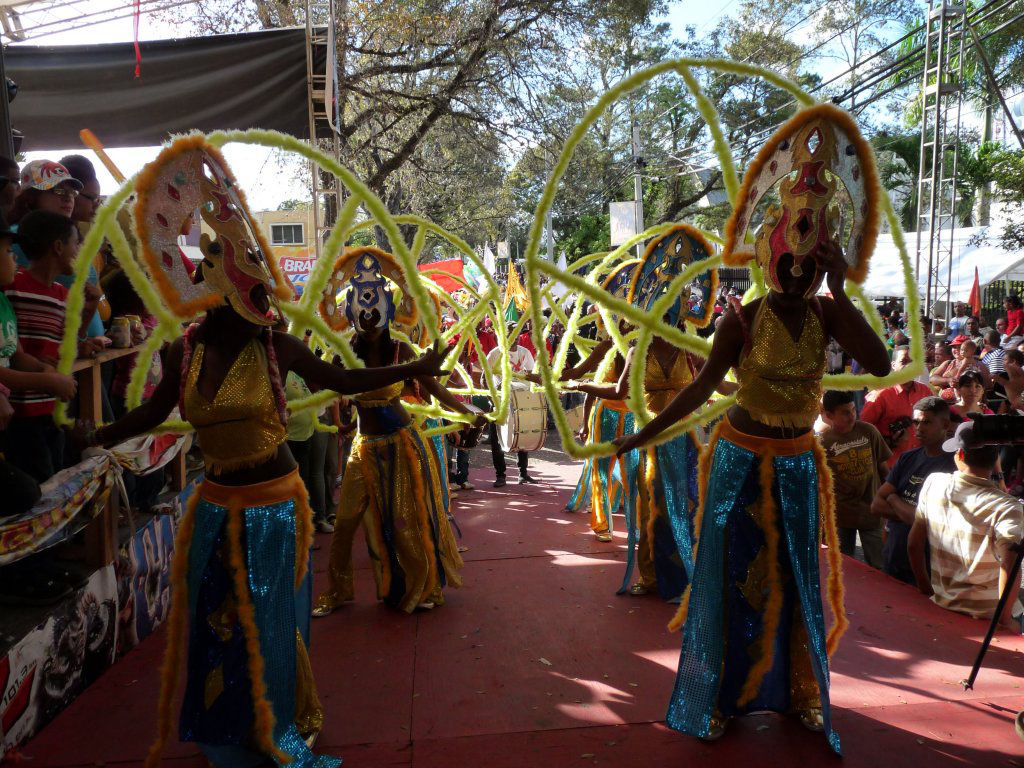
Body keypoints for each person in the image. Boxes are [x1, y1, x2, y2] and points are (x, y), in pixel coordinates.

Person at [77, 139, 452, 768]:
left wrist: (419, 365)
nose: (271, 302)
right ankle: (228, 720)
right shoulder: (184, 353)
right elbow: (149, 413)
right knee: (215, 616)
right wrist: (94, 438)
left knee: (270, 622)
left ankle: (281, 725)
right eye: (255, 287)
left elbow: (344, 382)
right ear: (220, 292)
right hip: (216, 504)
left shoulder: (277, 349)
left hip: (276, 507)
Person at [314, 248, 481, 617]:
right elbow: (333, 386)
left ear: (388, 310)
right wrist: (337, 418)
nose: (368, 317)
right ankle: (338, 590)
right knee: (343, 524)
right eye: (360, 308)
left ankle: (418, 584)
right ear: (350, 312)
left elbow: (434, 387)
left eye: (375, 309)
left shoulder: (402, 350)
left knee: (406, 522)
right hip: (364, 448)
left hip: (402, 446)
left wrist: (467, 412)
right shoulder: (344, 353)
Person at [908, 420, 1023, 628]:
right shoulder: (1008, 506)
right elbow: (1011, 565)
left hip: (943, 604)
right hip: (990, 616)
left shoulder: (934, 483)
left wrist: (926, 590)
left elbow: (913, 545)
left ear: (960, 455)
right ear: (995, 458)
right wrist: (1004, 622)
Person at [4, 211, 92, 482]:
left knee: (54, 475)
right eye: (75, 243)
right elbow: (10, 351)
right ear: (58, 247)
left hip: (52, 407)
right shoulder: (13, 288)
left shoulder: (62, 296)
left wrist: (90, 309)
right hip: (20, 410)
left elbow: (71, 342)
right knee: (40, 482)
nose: (79, 250)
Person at [870, 396, 956, 585]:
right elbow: (876, 505)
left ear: (945, 424)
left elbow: (930, 522)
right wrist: (912, 515)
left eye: (926, 422)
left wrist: (893, 499)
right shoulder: (907, 458)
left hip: (931, 571)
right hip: (895, 560)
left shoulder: (956, 465)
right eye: (916, 422)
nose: (919, 428)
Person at [819, 390, 891, 570]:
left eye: (852, 410)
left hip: (871, 512)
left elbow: (884, 469)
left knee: (879, 565)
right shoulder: (824, 442)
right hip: (840, 515)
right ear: (829, 415)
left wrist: (888, 499)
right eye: (845, 412)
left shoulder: (868, 431)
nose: (851, 416)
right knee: (843, 566)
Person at [861, 347, 932, 468]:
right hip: (890, 468)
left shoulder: (925, 391)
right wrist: (889, 441)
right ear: (893, 365)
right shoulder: (881, 395)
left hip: (920, 463)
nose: (909, 366)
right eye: (904, 361)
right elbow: (862, 432)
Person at [481, 336, 537, 486]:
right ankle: (500, 475)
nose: (516, 338)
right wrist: (492, 397)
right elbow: (483, 378)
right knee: (497, 439)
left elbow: (532, 375)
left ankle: (523, 474)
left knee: (522, 435)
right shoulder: (495, 353)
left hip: (521, 400)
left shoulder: (525, 352)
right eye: (512, 334)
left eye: (517, 335)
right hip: (499, 402)